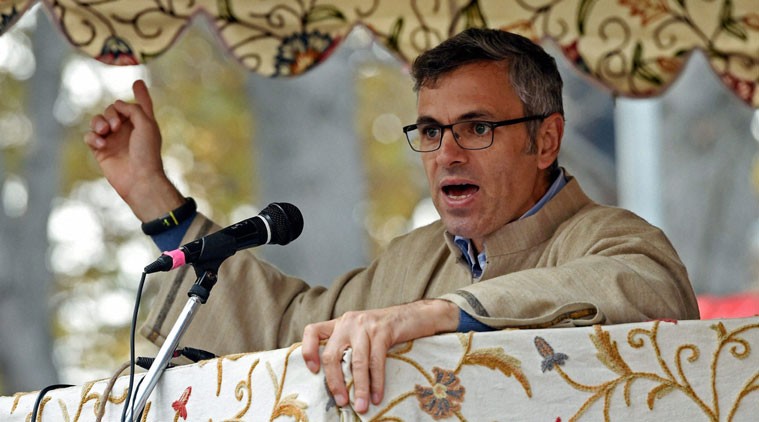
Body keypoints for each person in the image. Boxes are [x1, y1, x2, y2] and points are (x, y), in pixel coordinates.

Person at [85, 28, 700, 414]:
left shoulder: (612, 238)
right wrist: (151, 194)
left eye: (477, 127)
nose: (447, 154)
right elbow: (287, 332)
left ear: (546, 140)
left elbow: (644, 288)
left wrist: (439, 314)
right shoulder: (415, 257)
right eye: (430, 131)